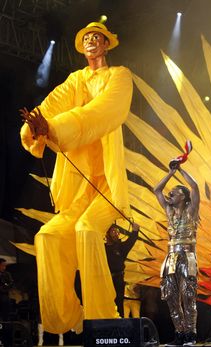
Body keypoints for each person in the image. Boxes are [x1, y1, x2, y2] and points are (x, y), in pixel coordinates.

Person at [19, 21, 133, 334]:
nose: (92, 41)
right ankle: (72, 317)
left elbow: (103, 112)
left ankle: (103, 319)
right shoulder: (75, 80)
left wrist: (56, 129)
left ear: (107, 44)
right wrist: (35, 127)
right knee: (48, 237)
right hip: (81, 189)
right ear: (82, 47)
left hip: (106, 185)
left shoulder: (119, 77)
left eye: (98, 37)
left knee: (86, 230)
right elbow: (52, 105)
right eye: (87, 38)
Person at [153, 164, 200, 347]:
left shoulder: (191, 211)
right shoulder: (169, 211)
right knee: (171, 298)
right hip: (171, 258)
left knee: (188, 298)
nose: (169, 194)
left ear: (184, 197)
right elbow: (157, 189)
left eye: (174, 192)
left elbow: (194, 186)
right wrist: (170, 173)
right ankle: (180, 334)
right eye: (170, 192)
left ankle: (191, 335)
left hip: (187, 257)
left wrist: (180, 169)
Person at [105, 223, 139, 317]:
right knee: (106, 303)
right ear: (107, 234)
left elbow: (131, 241)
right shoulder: (102, 248)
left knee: (119, 302)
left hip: (118, 279)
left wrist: (135, 230)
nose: (116, 234)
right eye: (113, 231)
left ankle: (119, 324)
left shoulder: (121, 247)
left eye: (117, 231)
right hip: (105, 279)